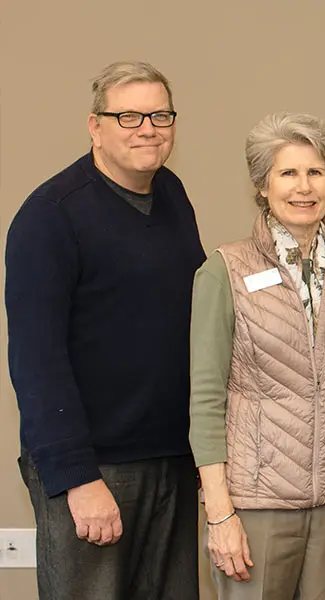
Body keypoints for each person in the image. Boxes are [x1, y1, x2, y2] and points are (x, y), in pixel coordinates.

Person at [6, 60, 204, 600]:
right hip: (98, 468)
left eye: (160, 115)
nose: (148, 128)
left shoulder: (171, 196)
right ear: (95, 126)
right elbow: (35, 360)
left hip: (171, 457)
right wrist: (78, 478)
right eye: (129, 116)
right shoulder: (50, 216)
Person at [189, 112, 325, 599]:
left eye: (315, 172)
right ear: (262, 185)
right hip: (256, 503)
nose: (304, 187)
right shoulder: (225, 270)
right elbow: (206, 398)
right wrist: (220, 512)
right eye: (288, 173)